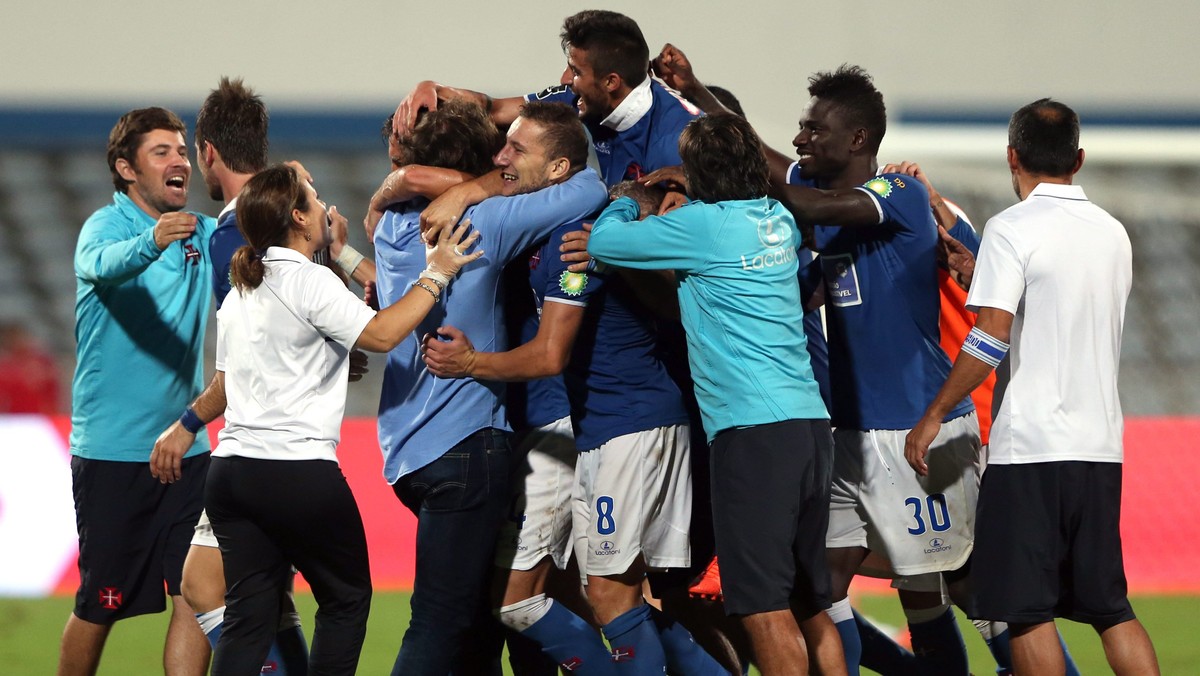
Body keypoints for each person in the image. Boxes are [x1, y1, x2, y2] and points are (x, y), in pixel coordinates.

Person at [181, 163, 480, 675]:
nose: (324, 207)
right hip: (296, 470)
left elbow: (235, 382)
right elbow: (383, 335)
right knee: (345, 598)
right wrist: (438, 272)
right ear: (298, 217)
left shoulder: (242, 288)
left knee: (250, 619)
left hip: (231, 472)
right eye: (314, 201)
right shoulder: (308, 280)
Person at [904, 98, 1160, 676]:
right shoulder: (1113, 233)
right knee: (1111, 609)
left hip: (1032, 450)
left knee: (1024, 611)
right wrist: (987, 277)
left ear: (1012, 156)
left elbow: (989, 339)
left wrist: (936, 413)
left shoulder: (1011, 227)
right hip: (1099, 448)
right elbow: (1057, 313)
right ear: (1080, 158)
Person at [588, 113, 841, 676]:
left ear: (698, 174)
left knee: (761, 606)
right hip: (808, 427)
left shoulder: (703, 226)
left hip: (752, 434)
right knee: (810, 603)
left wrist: (631, 196)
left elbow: (606, 242)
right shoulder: (776, 218)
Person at [373, 100, 607, 674]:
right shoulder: (486, 223)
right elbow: (588, 188)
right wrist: (473, 188)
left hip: (405, 453)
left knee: (479, 618)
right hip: (469, 447)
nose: (505, 161)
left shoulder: (386, 227)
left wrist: (398, 184)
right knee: (450, 619)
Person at [150, 76, 309, 676]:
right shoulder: (299, 220)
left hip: (256, 447)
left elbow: (246, 358)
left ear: (208, 152)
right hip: (304, 443)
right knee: (263, 594)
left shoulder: (232, 235)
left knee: (201, 584)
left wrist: (186, 424)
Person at [61, 107, 214, 676]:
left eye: (183, 150)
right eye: (162, 152)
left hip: (188, 451)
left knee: (197, 595)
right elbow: (96, 265)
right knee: (100, 603)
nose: (180, 160)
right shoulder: (107, 227)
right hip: (115, 453)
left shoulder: (199, 232)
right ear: (127, 169)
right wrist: (151, 241)